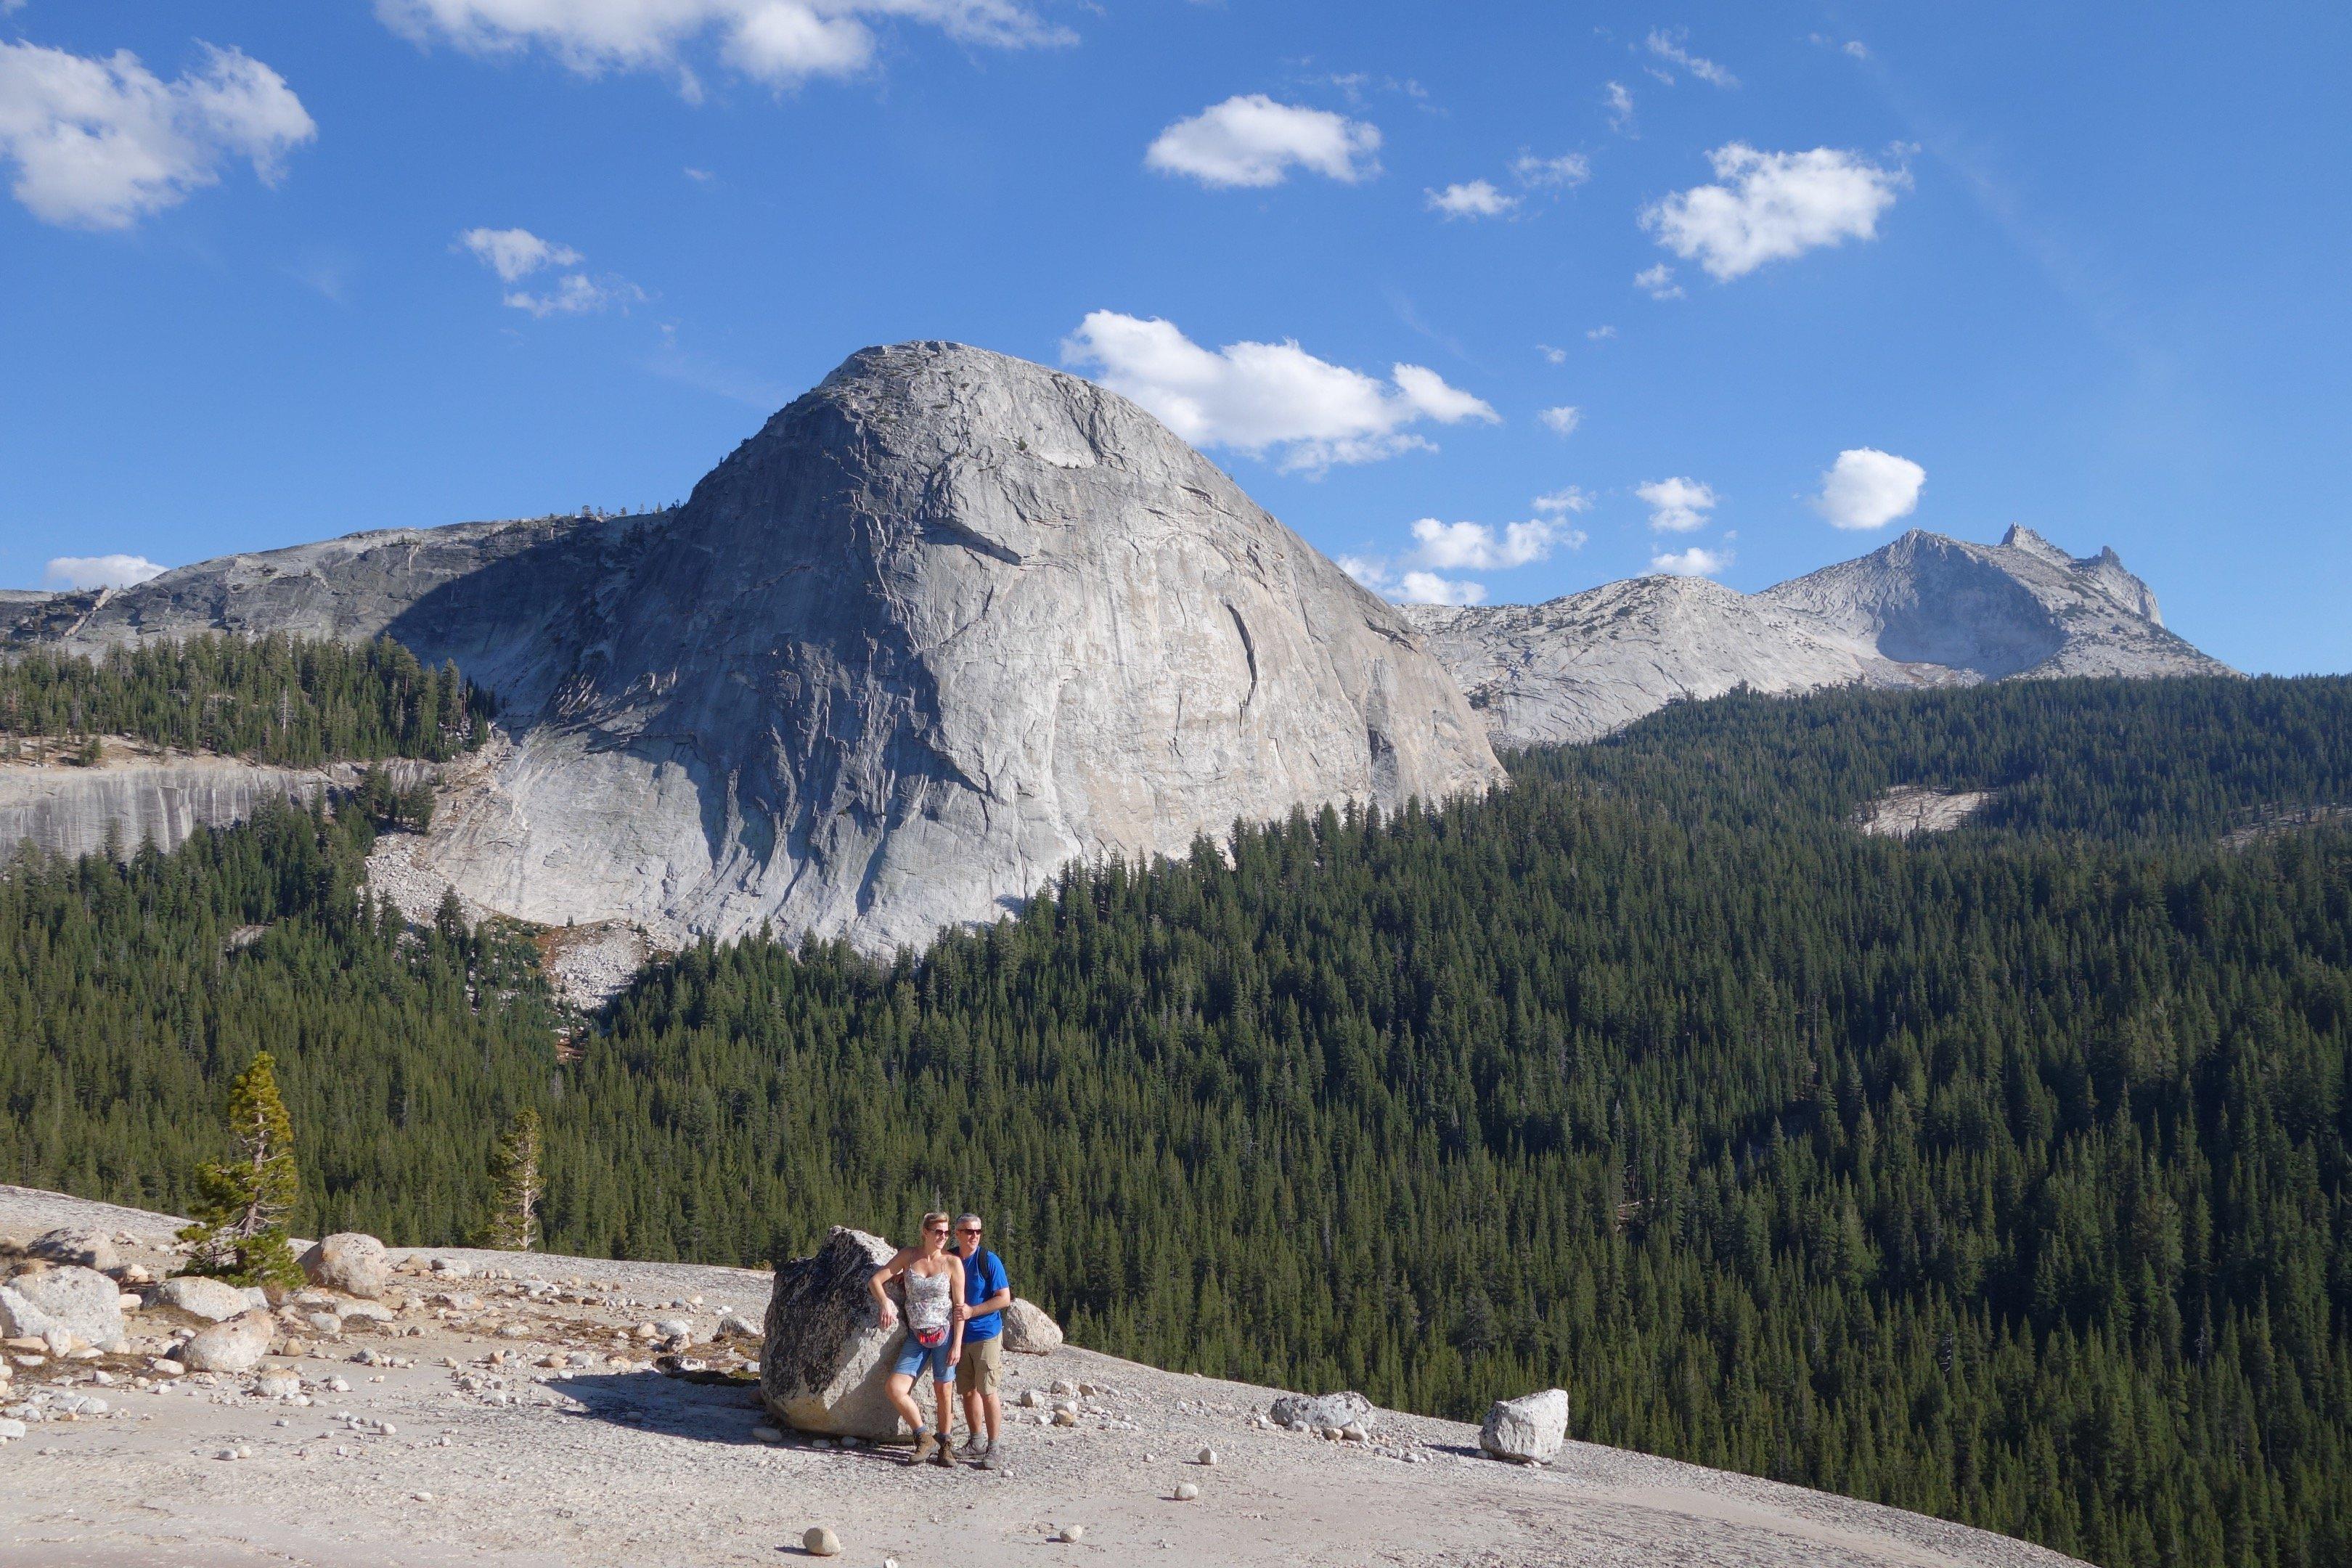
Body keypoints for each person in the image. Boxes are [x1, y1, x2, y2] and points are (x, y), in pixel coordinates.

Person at [870, 1212, 966, 1466]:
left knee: (944, 1391)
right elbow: (876, 1280)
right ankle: (923, 1436)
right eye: (938, 1232)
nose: (943, 1237)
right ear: (925, 1232)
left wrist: (957, 1343)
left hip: (944, 1335)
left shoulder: (952, 1263)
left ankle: (945, 1445)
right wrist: (885, 1303)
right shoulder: (908, 1256)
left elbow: (959, 1307)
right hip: (917, 1336)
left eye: (946, 1233)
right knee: (895, 1388)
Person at [949, 1212, 1013, 1466]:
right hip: (960, 1336)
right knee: (967, 1391)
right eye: (968, 1231)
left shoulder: (989, 1261)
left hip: (986, 1333)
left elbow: (1004, 1298)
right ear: (958, 1234)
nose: (974, 1236)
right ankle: (976, 1441)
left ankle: (993, 1447)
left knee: (988, 1391)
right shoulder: (951, 1259)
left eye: (977, 1232)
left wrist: (972, 1311)